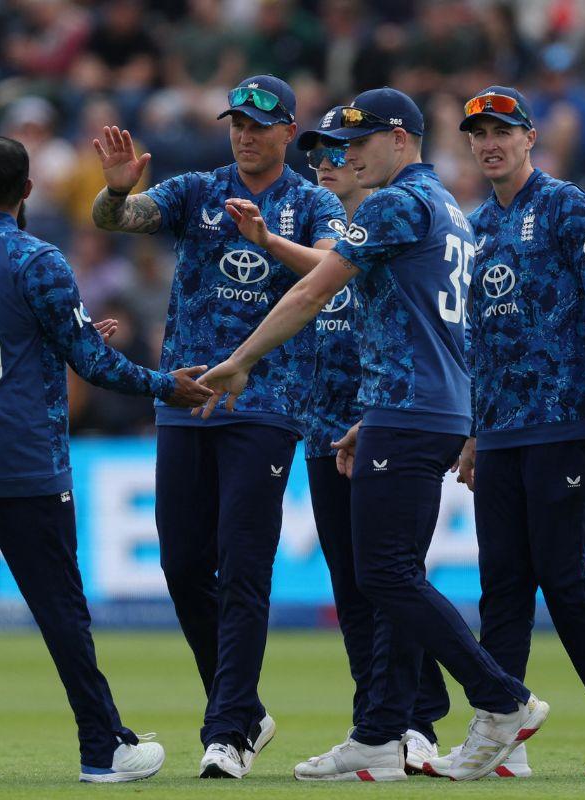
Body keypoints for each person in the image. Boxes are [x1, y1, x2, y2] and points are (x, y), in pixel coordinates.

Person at [197, 87, 548, 783]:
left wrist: (240, 361)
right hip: (419, 408)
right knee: (383, 575)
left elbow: (313, 291)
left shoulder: (395, 204)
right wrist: (378, 412)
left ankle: (502, 699)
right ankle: (380, 736)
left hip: (411, 410)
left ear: (401, 140)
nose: (349, 155)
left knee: (385, 574)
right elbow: (431, 323)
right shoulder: (447, 207)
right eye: (343, 144)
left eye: (361, 142)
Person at [0, 135, 212, 785]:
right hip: (21, 455)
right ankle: (102, 746)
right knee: (61, 606)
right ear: (27, 191)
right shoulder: (36, 259)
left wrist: (62, 337)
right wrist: (165, 385)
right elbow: (89, 363)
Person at [91, 74, 346, 778]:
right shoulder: (198, 190)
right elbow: (117, 219)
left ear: (288, 131)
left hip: (266, 405)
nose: (245, 134)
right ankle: (247, 710)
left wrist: (267, 239)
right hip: (185, 398)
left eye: (259, 124)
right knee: (181, 566)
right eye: (237, 122)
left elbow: (335, 268)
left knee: (243, 567)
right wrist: (113, 190)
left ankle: (228, 729)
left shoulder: (312, 202)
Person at [441, 85, 585, 779]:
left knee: (562, 576)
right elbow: (476, 338)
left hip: (567, 421)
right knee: (501, 583)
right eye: (479, 135)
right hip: (501, 431)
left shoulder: (568, 206)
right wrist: (473, 430)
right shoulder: (477, 225)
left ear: (529, 137)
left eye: (502, 132)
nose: (490, 145)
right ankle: (502, 728)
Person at [224, 103, 452, 775]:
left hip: (385, 425)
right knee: (355, 591)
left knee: (391, 582)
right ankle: (374, 722)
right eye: (318, 155)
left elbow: (321, 284)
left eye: (339, 153)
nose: (327, 164)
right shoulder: (349, 244)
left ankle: (418, 723)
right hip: (327, 435)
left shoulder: (384, 241)